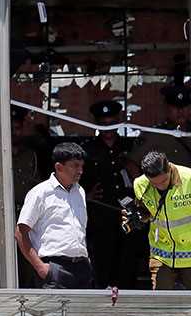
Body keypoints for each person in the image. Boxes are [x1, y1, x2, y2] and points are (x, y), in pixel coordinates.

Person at [131, 151, 191, 290]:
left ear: (169, 169)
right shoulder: (140, 184)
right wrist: (137, 216)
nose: (160, 186)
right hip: (161, 253)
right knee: (161, 303)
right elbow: (146, 211)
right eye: (155, 184)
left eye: (163, 181)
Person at [15, 142, 93, 289]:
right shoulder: (40, 192)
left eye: (82, 166)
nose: (80, 171)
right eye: (75, 166)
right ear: (59, 167)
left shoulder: (80, 192)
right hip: (54, 266)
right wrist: (40, 267)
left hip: (82, 267)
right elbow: (20, 232)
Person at [0, 105, 40, 287]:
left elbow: (36, 184)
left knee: (28, 265)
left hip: (25, 216)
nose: (14, 133)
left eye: (17, 128)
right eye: (10, 128)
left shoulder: (30, 155)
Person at [81, 99, 137, 289]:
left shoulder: (130, 147)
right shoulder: (87, 149)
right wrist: (86, 195)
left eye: (112, 123)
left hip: (127, 214)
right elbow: (75, 181)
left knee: (127, 265)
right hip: (100, 216)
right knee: (101, 265)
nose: (108, 129)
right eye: (103, 124)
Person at [127, 81, 191, 176]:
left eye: (184, 106)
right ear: (166, 107)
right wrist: (147, 189)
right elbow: (132, 164)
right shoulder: (155, 134)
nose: (180, 111)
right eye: (175, 106)